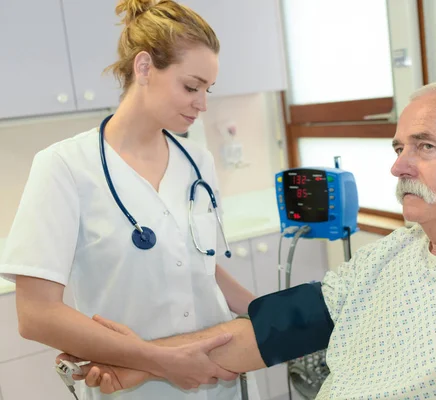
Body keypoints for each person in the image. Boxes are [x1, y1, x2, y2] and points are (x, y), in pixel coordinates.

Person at [62, 81, 436, 399]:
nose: (398, 164)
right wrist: (141, 357)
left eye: (425, 146)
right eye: (399, 145)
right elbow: (274, 330)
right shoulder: (399, 250)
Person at [0, 0, 261, 399]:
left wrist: (268, 312)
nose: (202, 103)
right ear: (143, 68)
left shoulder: (199, 162)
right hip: (134, 389)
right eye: (191, 87)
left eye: (208, 90)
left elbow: (200, 263)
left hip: (219, 377)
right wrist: (159, 361)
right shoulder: (65, 167)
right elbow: (36, 314)